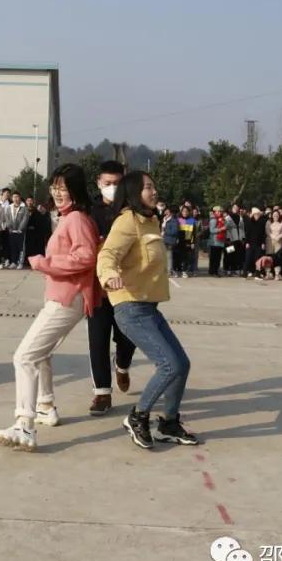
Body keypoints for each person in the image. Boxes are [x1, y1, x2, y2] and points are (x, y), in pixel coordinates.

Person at [0, 164, 100, 452]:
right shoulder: (69, 218)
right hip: (63, 296)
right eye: (55, 187)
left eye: (63, 188)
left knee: (24, 357)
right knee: (41, 354)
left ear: (76, 191)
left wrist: (45, 263)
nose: (58, 192)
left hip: (67, 298)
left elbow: (86, 257)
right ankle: (45, 406)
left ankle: (24, 425)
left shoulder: (76, 219)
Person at [97, 171, 199, 450]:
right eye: (147, 188)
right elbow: (107, 254)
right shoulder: (127, 220)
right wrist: (108, 275)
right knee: (170, 365)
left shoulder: (151, 220)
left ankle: (168, 421)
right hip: (130, 307)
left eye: (154, 186)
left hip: (148, 307)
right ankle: (138, 416)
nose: (153, 192)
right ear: (132, 192)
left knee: (182, 364)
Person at [86, 160, 136, 415]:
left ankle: (123, 365)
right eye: (108, 184)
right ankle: (102, 393)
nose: (112, 188)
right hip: (98, 287)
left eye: (117, 183)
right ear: (99, 183)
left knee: (128, 336)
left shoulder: (133, 209)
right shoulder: (89, 212)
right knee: (98, 338)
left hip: (127, 287)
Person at [4, 192, 28, 268]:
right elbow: (7, 218)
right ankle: (13, 262)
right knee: (13, 247)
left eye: (17, 197)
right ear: (12, 198)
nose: (16, 198)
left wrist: (20, 229)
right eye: (14, 197)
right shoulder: (9, 208)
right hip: (11, 231)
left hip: (20, 232)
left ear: (20, 198)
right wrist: (10, 227)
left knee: (21, 248)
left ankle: (20, 262)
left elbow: (25, 219)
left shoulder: (24, 208)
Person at [208, 205, 227, 276]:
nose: (219, 212)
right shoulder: (213, 220)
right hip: (214, 242)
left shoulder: (222, 219)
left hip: (220, 241)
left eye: (220, 211)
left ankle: (215, 271)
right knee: (214, 258)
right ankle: (213, 271)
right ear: (214, 212)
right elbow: (211, 230)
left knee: (218, 258)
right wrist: (221, 229)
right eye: (218, 211)